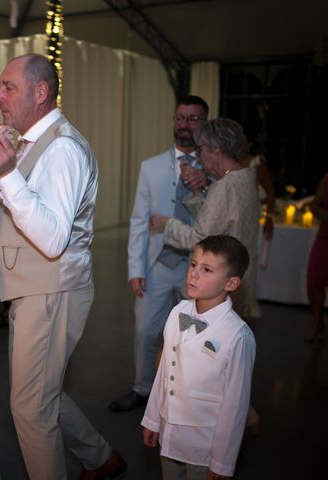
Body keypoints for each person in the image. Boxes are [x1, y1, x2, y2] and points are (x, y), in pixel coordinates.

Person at [0, 53, 126, 480]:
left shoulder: (62, 147)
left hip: (53, 289)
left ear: (40, 92)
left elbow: (54, 238)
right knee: (42, 393)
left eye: (8, 87)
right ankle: (100, 458)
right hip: (35, 288)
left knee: (30, 406)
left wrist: (7, 176)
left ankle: (97, 459)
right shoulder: (31, 142)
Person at [109, 96, 210, 413]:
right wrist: (134, 268)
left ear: (205, 124)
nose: (184, 124)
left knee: (195, 332)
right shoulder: (150, 167)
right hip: (158, 263)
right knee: (146, 329)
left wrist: (206, 185)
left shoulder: (215, 170)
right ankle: (142, 388)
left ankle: (187, 391)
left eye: (193, 119)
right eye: (180, 118)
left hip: (200, 266)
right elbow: (139, 220)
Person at [141, 235, 256, 480]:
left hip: (205, 444)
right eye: (193, 264)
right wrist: (152, 420)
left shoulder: (237, 335)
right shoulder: (178, 311)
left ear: (231, 283)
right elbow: (164, 371)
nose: (193, 273)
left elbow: (235, 405)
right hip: (169, 432)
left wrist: (222, 462)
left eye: (207, 269)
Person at [151, 117, 259, 319]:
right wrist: (199, 192)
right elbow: (220, 221)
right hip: (239, 276)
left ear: (216, 149)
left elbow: (200, 239)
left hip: (218, 285)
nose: (198, 157)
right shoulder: (246, 177)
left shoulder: (225, 186)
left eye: (200, 150)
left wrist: (166, 224)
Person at [305, 169, 328, 342]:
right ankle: (317, 323)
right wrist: (318, 211)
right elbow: (314, 204)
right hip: (327, 234)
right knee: (315, 278)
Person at [238, 127, 276, 240]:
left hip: (249, 218)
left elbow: (271, 191)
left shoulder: (256, 163)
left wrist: (269, 218)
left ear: (249, 145)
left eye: (242, 141)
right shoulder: (226, 161)